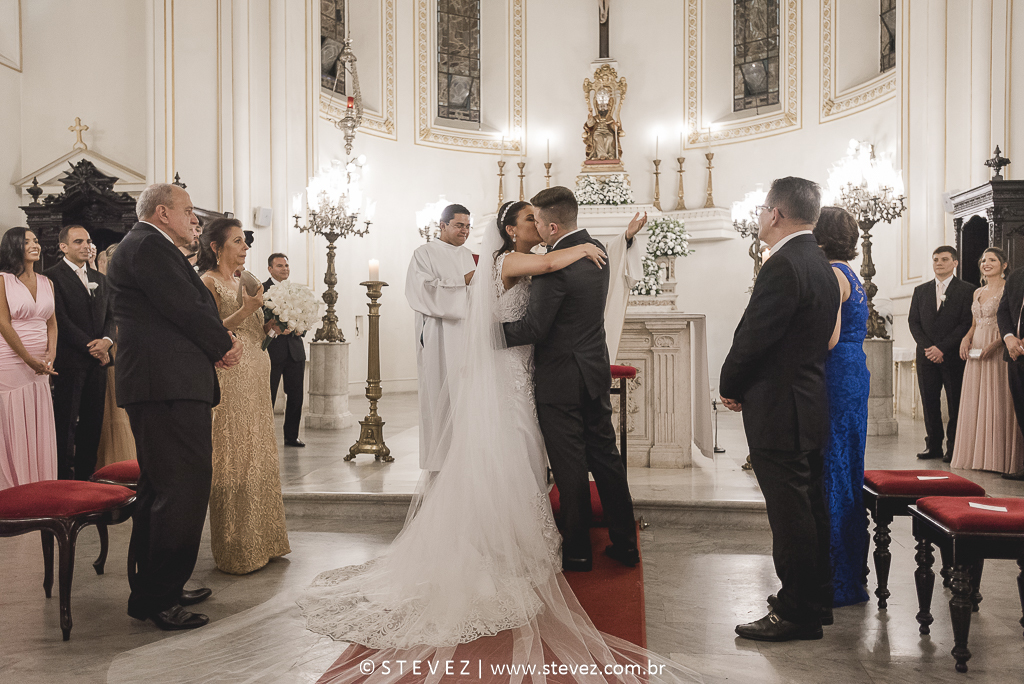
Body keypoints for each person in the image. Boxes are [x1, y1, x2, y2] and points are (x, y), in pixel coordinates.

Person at [106, 195, 700, 684]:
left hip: (525, 373)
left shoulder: (526, 257)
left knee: (525, 458)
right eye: (527, 222)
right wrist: (583, 248)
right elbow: (537, 278)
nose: (536, 230)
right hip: (514, 370)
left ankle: (535, 541)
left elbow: (539, 279)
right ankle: (510, 545)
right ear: (510, 230)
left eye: (538, 222)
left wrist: (593, 244)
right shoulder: (510, 262)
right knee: (516, 455)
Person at [107, 183, 241, 630]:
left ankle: (154, 589)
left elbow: (178, 308)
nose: (194, 220)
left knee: (162, 489)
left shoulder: (147, 245)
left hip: (163, 383)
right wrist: (223, 344)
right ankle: (160, 598)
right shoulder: (149, 246)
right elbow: (185, 307)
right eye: (187, 211)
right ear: (162, 212)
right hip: (164, 384)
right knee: (181, 490)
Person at [720, 177, 839, 642]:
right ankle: (816, 599)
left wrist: (731, 384)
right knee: (809, 507)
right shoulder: (820, 263)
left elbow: (756, 336)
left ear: (775, 213)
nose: (759, 217)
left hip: (779, 407)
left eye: (762, 209)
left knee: (789, 515)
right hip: (807, 400)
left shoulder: (783, 263)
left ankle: (796, 612)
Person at [503, 186, 638, 573]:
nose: (537, 229)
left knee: (570, 467)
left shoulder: (556, 266)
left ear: (553, 226)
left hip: (560, 378)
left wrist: (487, 335)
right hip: (593, 371)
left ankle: (578, 551)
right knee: (607, 460)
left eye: (539, 222)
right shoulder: (598, 252)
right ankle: (625, 544)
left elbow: (535, 328)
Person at [199, 218, 291, 575]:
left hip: (257, 369)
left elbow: (257, 329)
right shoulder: (206, 282)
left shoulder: (247, 279)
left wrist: (273, 326)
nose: (245, 247)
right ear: (216, 247)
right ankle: (238, 549)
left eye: (245, 241)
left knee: (259, 451)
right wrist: (247, 310)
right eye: (237, 241)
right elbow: (208, 331)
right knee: (235, 455)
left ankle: (267, 540)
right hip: (231, 372)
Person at [813, 207, 870, 609]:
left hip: (836, 372)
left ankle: (836, 577)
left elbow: (828, 338)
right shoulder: (852, 273)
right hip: (853, 370)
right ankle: (849, 570)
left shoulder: (833, 274)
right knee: (847, 463)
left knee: (833, 466)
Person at [404, 203, 476, 472]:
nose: (464, 231)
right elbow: (422, 290)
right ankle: (440, 460)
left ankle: (466, 455)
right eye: (459, 225)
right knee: (438, 394)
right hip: (437, 334)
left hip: (467, 333)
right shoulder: (424, 253)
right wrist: (464, 281)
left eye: (468, 226)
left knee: (466, 395)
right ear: (443, 225)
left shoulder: (470, 255)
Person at [43, 225, 114, 480]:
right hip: (70, 360)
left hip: (98, 363)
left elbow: (111, 315)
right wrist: (93, 348)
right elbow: (59, 320)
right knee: (66, 422)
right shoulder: (51, 277)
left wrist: (107, 341)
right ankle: (64, 479)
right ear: (63, 247)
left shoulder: (100, 279)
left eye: (88, 241)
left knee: (93, 423)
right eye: (78, 242)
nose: (86, 246)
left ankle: (86, 478)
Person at [952, 248, 1024, 474]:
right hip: (977, 348)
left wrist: (995, 345)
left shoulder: (1008, 287)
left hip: (998, 348)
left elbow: (1008, 318)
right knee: (977, 400)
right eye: (984, 260)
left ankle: (999, 459)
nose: (986, 263)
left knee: (998, 400)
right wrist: (966, 339)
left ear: (1004, 265)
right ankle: (979, 457)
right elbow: (975, 324)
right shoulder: (977, 292)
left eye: (992, 259)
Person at [0, 227, 58, 489]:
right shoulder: (3, 281)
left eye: (36, 240)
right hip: (11, 359)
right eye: (27, 242)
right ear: (14, 246)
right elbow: (3, 323)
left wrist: (51, 354)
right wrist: (27, 358)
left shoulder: (47, 282)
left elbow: (52, 323)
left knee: (38, 420)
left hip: (41, 363)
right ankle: (13, 489)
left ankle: (39, 486)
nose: (35, 245)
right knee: (12, 420)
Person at [907, 246, 975, 462]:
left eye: (944, 259)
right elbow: (913, 322)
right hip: (926, 357)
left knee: (955, 403)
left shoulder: (967, 290)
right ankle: (933, 445)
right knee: (929, 402)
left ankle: (953, 447)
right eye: (935, 259)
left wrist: (942, 348)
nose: (939, 263)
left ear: (955, 263)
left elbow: (966, 323)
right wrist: (929, 348)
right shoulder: (921, 290)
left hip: (953, 356)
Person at [95, 243, 137, 467]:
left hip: (126, 349)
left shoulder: (122, 288)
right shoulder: (109, 288)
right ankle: (117, 462)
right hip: (115, 349)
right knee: (114, 408)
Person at [265, 253, 306, 447]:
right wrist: (275, 329)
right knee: (268, 395)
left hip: (295, 350)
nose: (285, 269)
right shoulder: (262, 290)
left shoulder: (296, 291)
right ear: (270, 269)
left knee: (296, 396)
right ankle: (265, 438)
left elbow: (304, 314)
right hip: (272, 351)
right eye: (280, 266)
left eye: (287, 265)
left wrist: (301, 328)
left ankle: (292, 436)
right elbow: (259, 319)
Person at [998, 262, 1024, 481]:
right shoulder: (1015, 276)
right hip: (1015, 354)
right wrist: (1008, 338)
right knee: (1022, 409)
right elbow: (1003, 311)